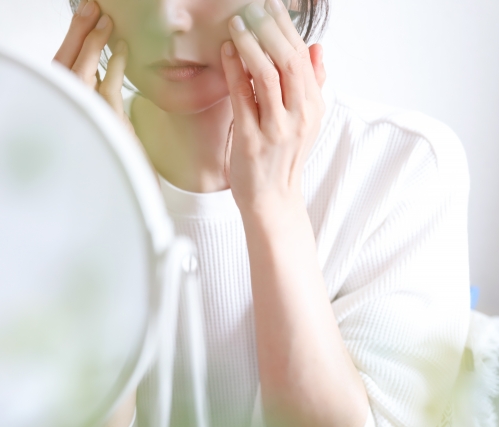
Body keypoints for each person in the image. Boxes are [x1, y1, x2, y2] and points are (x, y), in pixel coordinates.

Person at [53, 0, 471, 426]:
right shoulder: (56, 164)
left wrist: (274, 204)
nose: (168, 16)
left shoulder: (403, 167)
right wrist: (110, 220)